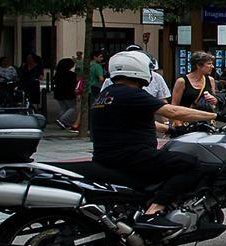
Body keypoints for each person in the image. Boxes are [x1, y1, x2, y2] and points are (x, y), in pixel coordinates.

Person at [91, 50, 218, 233]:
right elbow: (172, 111)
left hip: (108, 156)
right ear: (139, 69)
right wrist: (215, 115)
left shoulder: (106, 94)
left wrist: (170, 129)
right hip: (133, 156)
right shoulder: (132, 93)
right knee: (191, 165)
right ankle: (153, 213)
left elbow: (136, 120)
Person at [52, 57, 77, 124]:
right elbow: (73, 84)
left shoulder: (58, 74)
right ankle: (62, 120)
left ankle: (63, 121)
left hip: (59, 93)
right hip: (68, 93)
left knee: (63, 108)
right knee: (72, 108)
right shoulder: (71, 75)